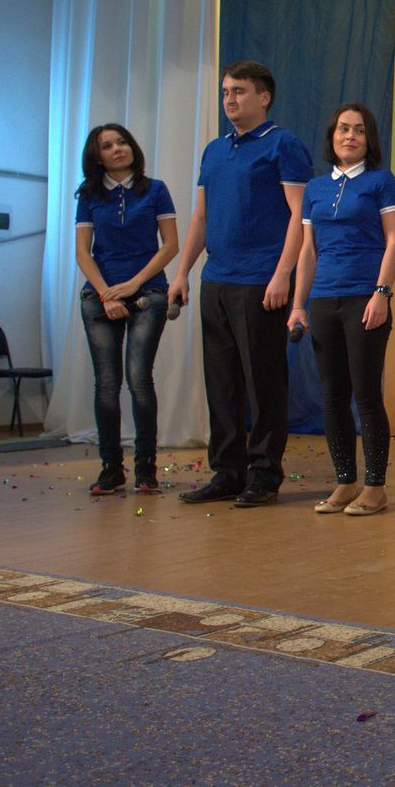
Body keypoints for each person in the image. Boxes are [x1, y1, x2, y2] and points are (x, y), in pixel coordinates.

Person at [168, 60, 313, 508]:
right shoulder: (214, 150)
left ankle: (264, 475)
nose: (230, 99)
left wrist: (282, 274)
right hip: (217, 279)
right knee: (222, 382)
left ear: (264, 97)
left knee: (263, 382)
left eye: (240, 91)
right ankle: (227, 472)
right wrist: (182, 272)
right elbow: (200, 217)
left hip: (260, 280)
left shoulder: (283, 145)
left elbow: (300, 215)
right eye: (226, 91)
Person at [287, 103, 395, 516]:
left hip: (364, 298)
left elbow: (394, 241)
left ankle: (375, 487)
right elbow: (308, 250)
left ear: (369, 139)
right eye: (343, 129)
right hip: (323, 300)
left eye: (358, 130)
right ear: (332, 136)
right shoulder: (316, 188)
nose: (349, 136)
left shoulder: (381, 182)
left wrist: (381, 293)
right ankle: (344, 482)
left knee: (366, 394)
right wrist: (298, 304)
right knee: (332, 396)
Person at [73, 124, 178, 495]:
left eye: (122, 142)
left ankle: (146, 469)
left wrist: (133, 285)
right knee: (106, 383)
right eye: (107, 145)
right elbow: (83, 252)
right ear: (97, 156)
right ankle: (111, 469)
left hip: (148, 292)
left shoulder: (156, 190)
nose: (117, 149)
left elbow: (170, 245)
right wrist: (106, 294)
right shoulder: (89, 195)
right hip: (101, 296)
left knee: (139, 378)